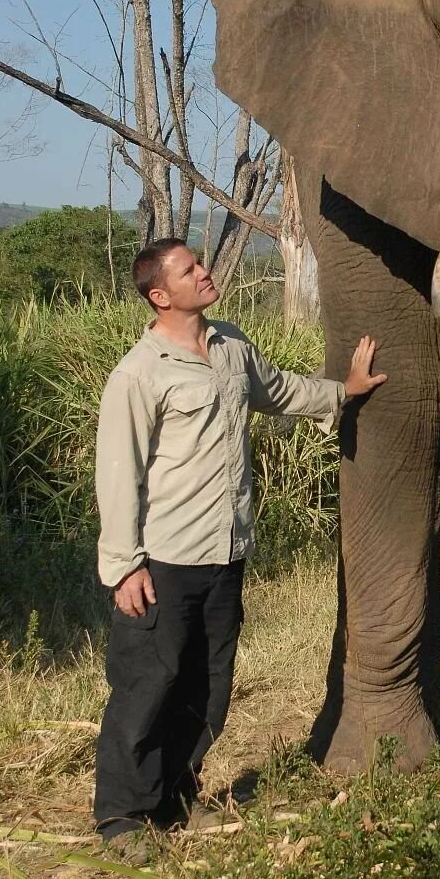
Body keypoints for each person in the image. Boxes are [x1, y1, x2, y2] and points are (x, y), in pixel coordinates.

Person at [93, 238, 386, 848]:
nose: (205, 271)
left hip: (224, 554)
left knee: (208, 684)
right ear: (159, 295)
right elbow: (119, 471)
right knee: (148, 686)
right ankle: (123, 818)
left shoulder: (229, 346)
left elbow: (278, 391)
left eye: (200, 263)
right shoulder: (139, 373)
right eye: (189, 269)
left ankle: (175, 797)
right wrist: (125, 567)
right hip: (164, 561)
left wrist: (345, 390)